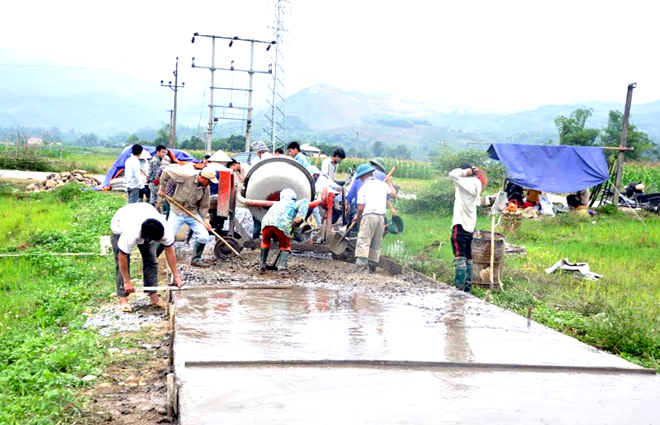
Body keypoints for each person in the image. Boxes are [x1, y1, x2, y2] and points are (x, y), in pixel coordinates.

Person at [111, 203, 183, 312]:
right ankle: (123, 299)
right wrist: (127, 281)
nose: (159, 242)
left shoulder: (165, 229)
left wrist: (176, 275)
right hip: (121, 222)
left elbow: (170, 251)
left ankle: (153, 296)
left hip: (146, 212)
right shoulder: (131, 233)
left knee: (151, 259)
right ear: (146, 237)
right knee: (121, 263)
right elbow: (123, 256)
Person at [158, 166, 218, 267]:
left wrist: (206, 221)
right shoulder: (186, 176)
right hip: (177, 210)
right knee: (168, 236)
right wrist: (162, 189)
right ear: (203, 178)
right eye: (209, 181)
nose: (210, 184)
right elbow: (166, 172)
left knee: (204, 236)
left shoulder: (205, 188)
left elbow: (204, 207)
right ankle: (153, 257)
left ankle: (195, 259)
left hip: (192, 213)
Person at [352, 164, 397, 273]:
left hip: (369, 216)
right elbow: (394, 194)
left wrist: (357, 215)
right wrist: (389, 182)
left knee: (364, 241)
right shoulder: (382, 185)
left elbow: (361, 207)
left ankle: (361, 269)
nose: (361, 180)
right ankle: (372, 269)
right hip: (381, 218)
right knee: (376, 243)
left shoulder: (364, 188)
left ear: (364, 176)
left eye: (361, 178)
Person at [449, 163, 486, 292]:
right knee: (468, 256)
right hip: (470, 225)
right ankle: (467, 289)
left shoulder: (467, 183)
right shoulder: (477, 183)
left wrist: (467, 171)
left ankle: (459, 289)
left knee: (460, 255)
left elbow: (453, 174)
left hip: (460, 223)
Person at [259, 188, 309, 273]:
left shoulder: (277, 204)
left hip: (266, 224)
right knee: (285, 246)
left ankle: (262, 266)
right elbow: (300, 214)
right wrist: (298, 220)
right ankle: (281, 267)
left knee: (265, 243)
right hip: (282, 224)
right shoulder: (296, 203)